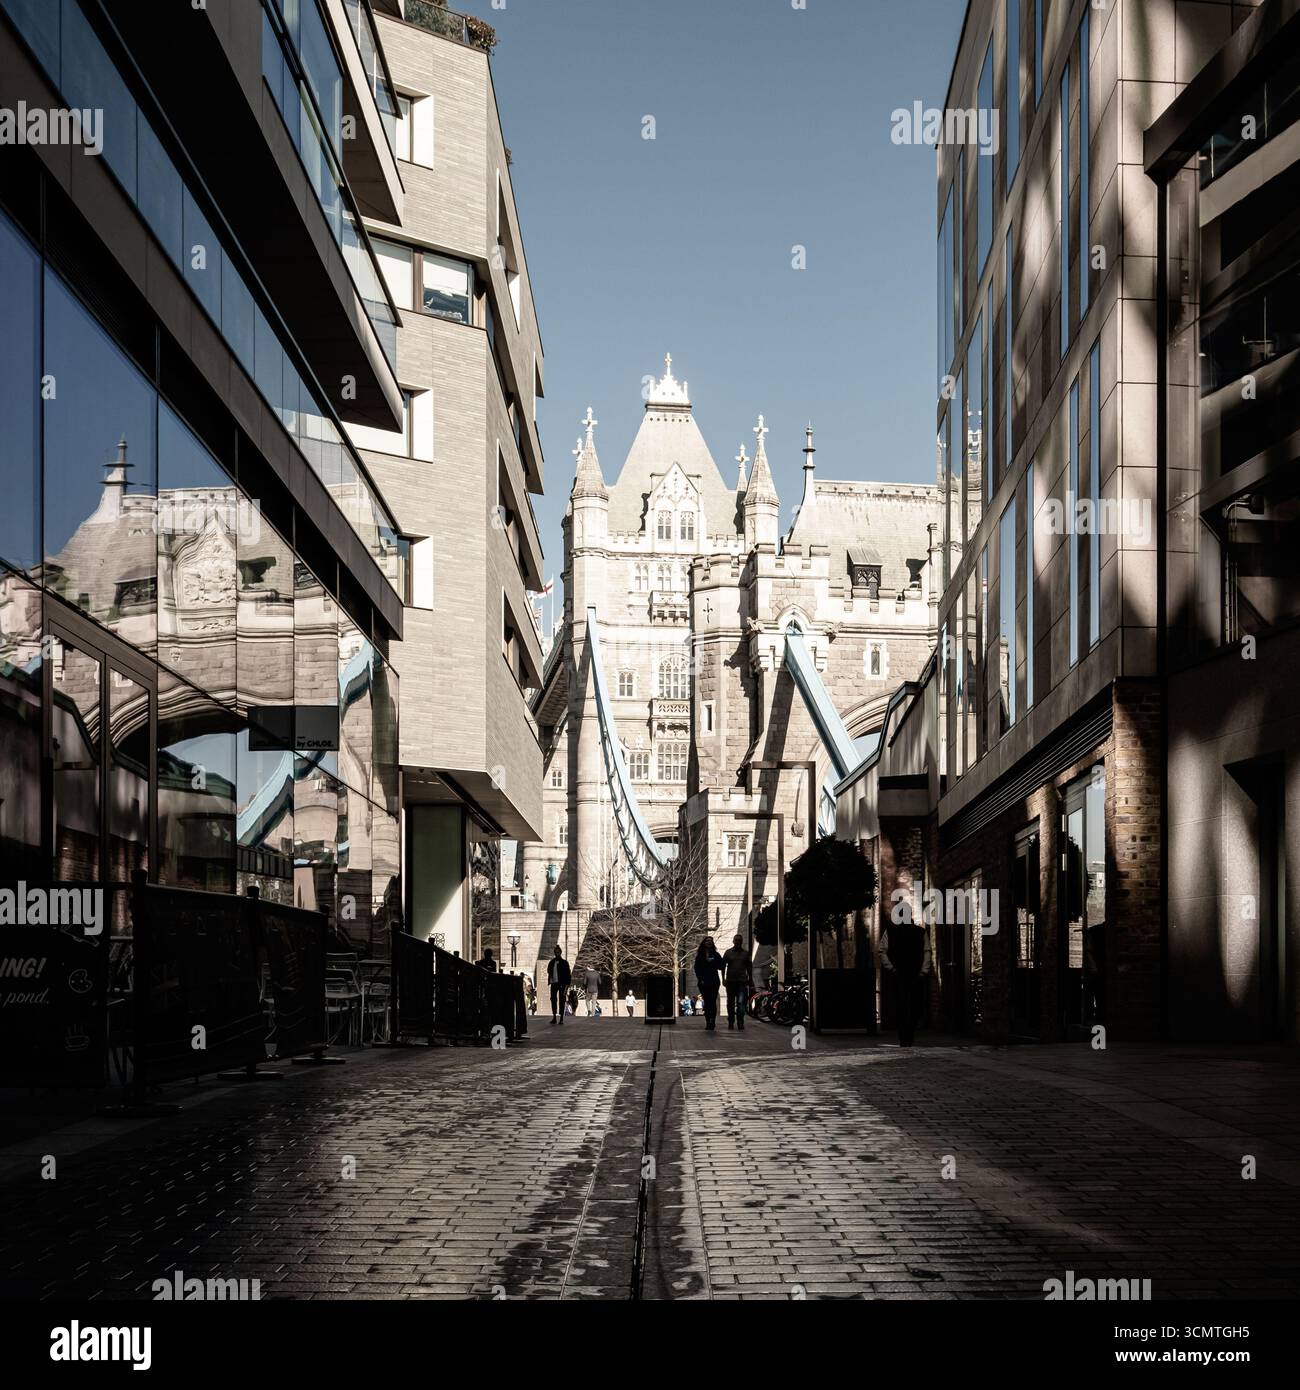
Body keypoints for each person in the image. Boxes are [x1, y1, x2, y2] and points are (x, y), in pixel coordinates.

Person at [880, 917, 932, 1046]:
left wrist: (891, 968)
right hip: (915, 973)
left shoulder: (890, 931)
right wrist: (923, 971)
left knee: (900, 1005)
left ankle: (903, 1036)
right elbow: (927, 952)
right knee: (915, 1005)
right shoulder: (920, 932)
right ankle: (909, 1035)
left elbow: (882, 952)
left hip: (898, 973)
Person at [693, 936, 725, 1031]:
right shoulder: (700, 955)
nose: (709, 942)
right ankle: (708, 1021)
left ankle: (712, 1021)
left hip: (714, 981)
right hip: (703, 982)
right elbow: (697, 968)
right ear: (704, 943)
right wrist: (700, 979)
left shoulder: (716, 954)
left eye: (711, 941)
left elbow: (722, 966)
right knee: (707, 1002)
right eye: (707, 941)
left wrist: (713, 961)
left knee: (712, 1001)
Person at [721, 934, 752, 1030]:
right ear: (733, 941)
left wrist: (751, 979)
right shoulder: (728, 952)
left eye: (739, 940)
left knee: (741, 1003)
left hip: (742, 982)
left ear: (742, 942)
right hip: (730, 981)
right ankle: (731, 1021)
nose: (738, 942)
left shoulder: (746, 953)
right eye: (736, 940)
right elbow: (723, 966)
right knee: (730, 1003)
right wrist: (723, 979)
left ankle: (740, 1021)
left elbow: (749, 967)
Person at [547, 946, 571, 1025]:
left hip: (562, 984)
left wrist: (567, 985)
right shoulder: (552, 962)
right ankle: (554, 1016)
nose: (557, 954)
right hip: (554, 983)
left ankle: (561, 1018)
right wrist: (550, 980)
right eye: (555, 952)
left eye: (558, 952)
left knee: (562, 1000)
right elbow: (549, 971)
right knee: (553, 999)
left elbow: (568, 974)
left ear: (560, 953)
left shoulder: (564, 963)